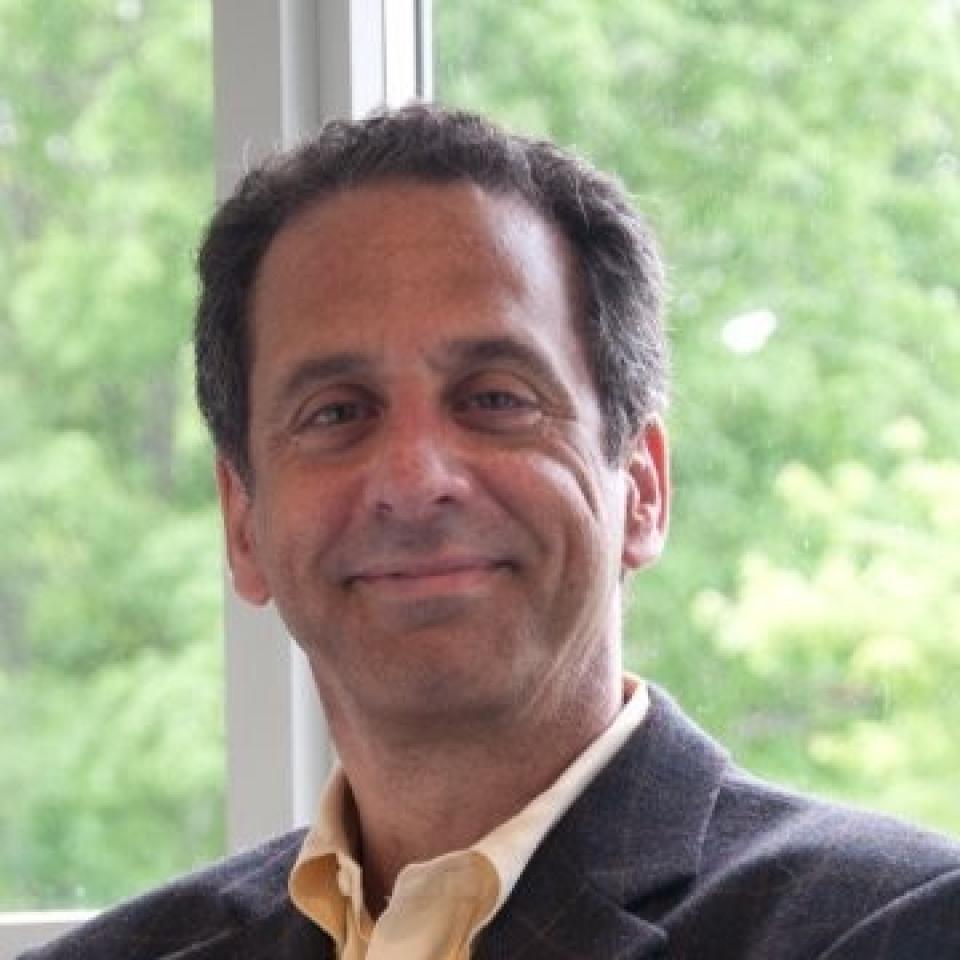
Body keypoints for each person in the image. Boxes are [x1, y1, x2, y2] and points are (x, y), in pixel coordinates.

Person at [23, 104, 959, 960]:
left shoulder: (895, 926)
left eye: (497, 399)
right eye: (338, 413)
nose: (416, 480)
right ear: (242, 524)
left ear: (641, 489)